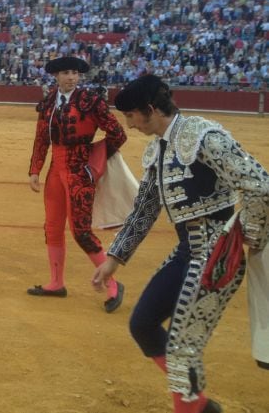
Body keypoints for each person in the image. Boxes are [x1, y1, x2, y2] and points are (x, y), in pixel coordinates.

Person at [92, 74, 269, 413]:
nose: (129, 125)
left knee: (181, 347)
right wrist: (113, 259)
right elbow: (143, 211)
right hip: (187, 250)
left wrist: (249, 236)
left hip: (218, 255)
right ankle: (200, 406)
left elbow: (260, 187)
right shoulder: (157, 149)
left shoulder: (204, 137)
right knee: (142, 324)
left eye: (131, 116)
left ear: (150, 109)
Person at [27, 56, 128, 312]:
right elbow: (42, 139)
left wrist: (96, 157)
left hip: (79, 173)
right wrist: (35, 169)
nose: (71, 77)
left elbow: (118, 133)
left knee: (81, 231)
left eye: (74, 73)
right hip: (55, 173)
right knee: (52, 227)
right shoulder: (49, 102)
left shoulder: (90, 101)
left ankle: (113, 283)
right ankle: (56, 282)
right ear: (56, 76)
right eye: (66, 73)